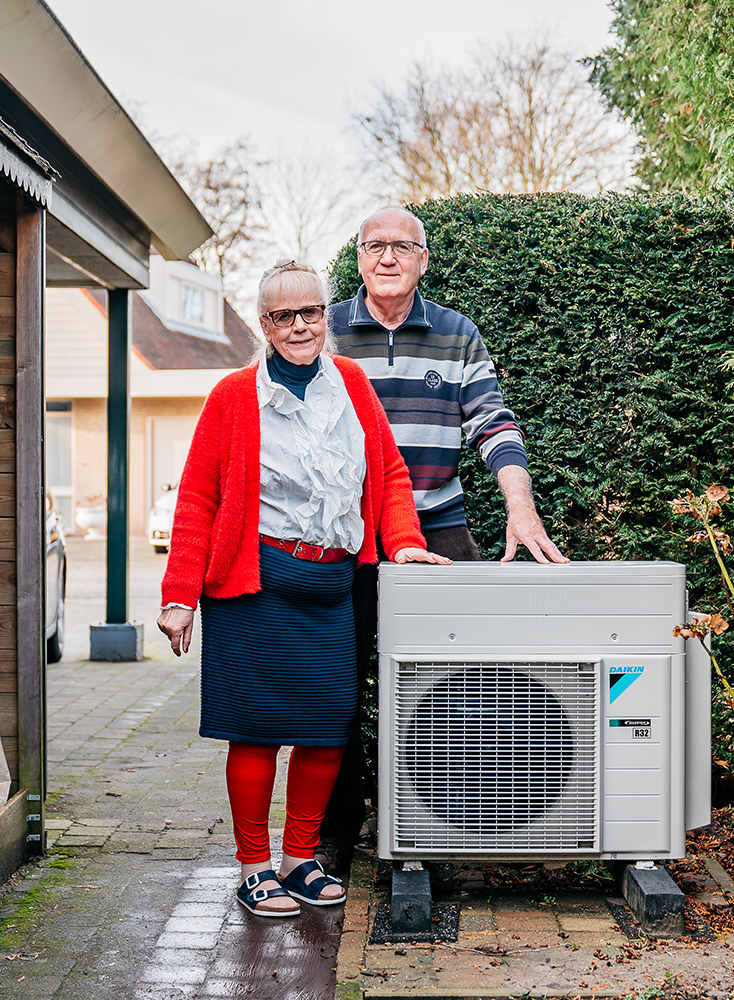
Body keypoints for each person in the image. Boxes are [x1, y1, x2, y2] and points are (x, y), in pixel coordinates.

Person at [156, 259, 449, 919]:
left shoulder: (351, 384)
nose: (299, 326)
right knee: (255, 731)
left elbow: (389, 473)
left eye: (310, 312)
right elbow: (198, 498)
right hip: (254, 587)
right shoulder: (234, 396)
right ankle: (254, 867)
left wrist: (403, 541)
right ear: (264, 325)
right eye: (283, 316)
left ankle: (299, 859)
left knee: (326, 729)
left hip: (330, 587)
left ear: (325, 316)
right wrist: (179, 596)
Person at [317, 206, 568, 874]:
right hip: (347, 538)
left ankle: (443, 825)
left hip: (438, 529)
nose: (388, 257)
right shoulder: (327, 330)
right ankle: (337, 830)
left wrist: (521, 506)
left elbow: (493, 423)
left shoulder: (458, 334)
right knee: (337, 688)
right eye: (375, 245)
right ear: (359, 257)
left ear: (424, 259)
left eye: (403, 246)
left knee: (459, 689)